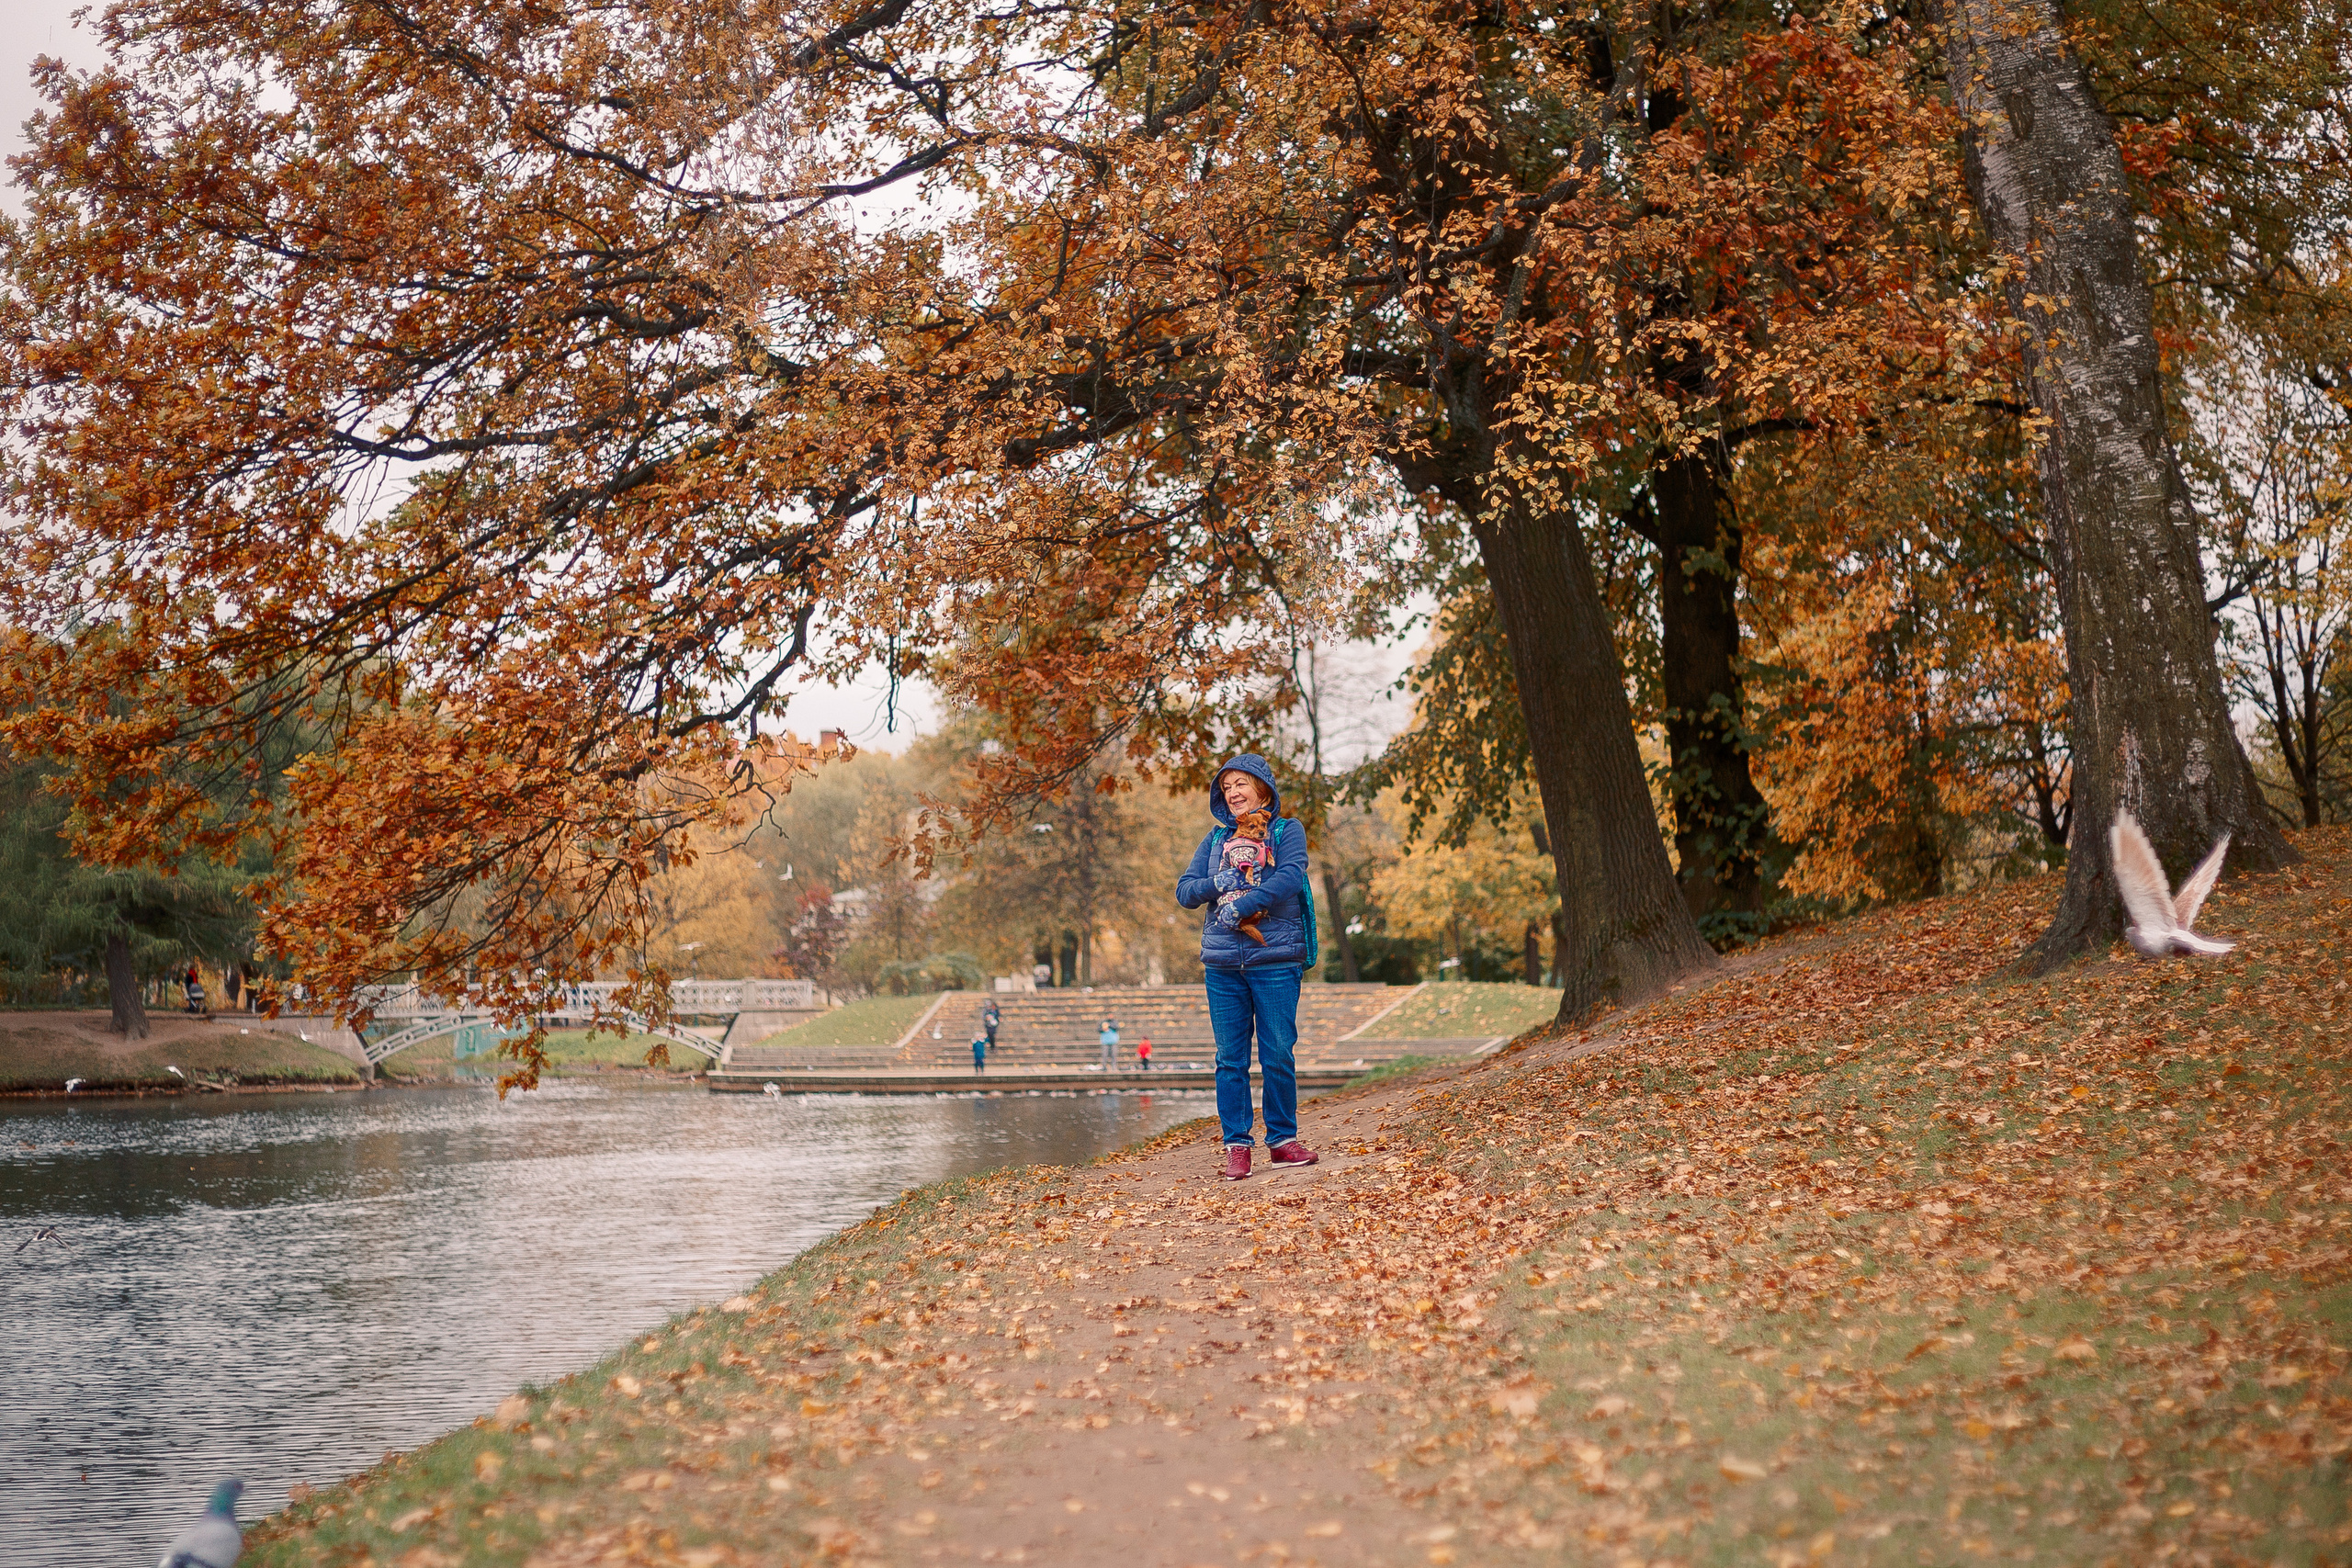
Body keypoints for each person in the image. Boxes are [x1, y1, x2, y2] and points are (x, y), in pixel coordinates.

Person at [1176, 752, 1318, 1180]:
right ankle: (1237, 1146)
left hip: (1274, 959)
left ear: (1262, 789)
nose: (1233, 793)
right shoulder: (1215, 839)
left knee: (1278, 1054)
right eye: (1226, 787)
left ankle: (1282, 1140)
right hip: (1222, 965)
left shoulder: (1286, 830)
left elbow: (1290, 877)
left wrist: (1245, 903)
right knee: (1230, 1060)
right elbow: (1185, 891)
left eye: (1241, 784)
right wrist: (1218, 883)